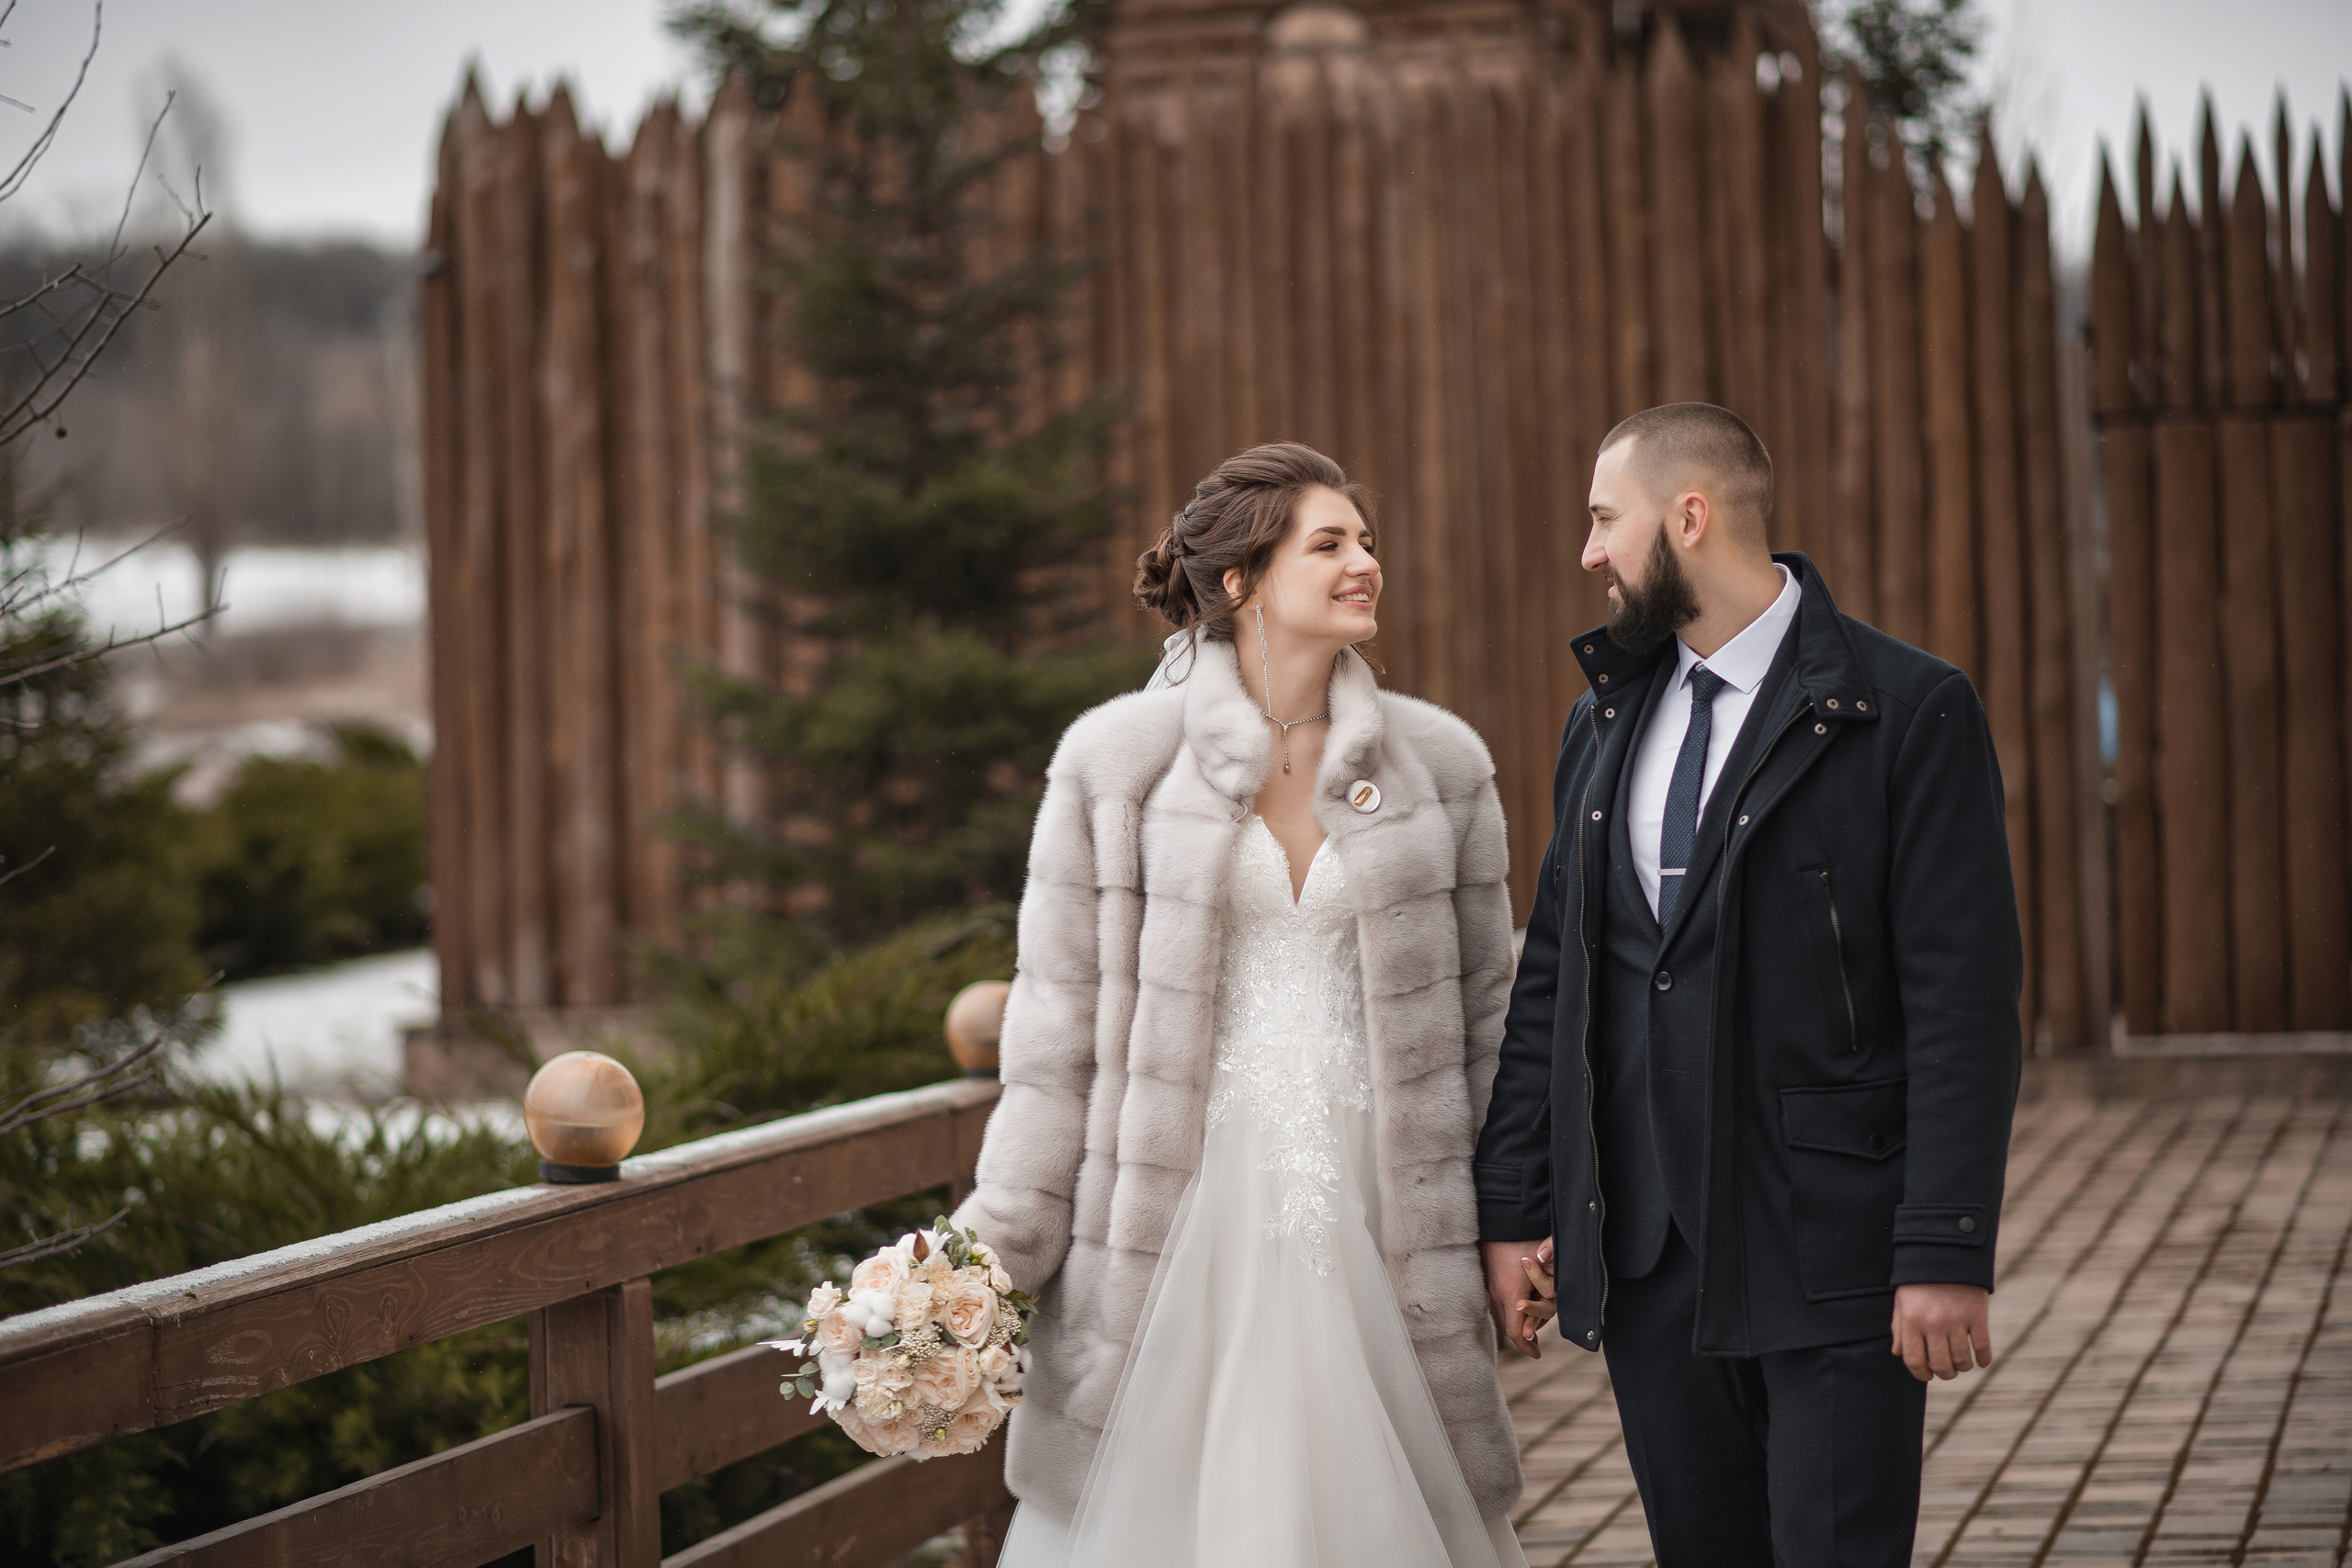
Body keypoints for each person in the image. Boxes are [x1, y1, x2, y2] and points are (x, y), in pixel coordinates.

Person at [955, 441, 1531, 1567]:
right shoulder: (1115, 763)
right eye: (1329, 544)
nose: (1364, 562)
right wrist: (984, 1260)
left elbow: (1487, 1026)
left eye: (1366, 541)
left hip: (1386, 1202)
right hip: (1179, 1209)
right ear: (1239, 580)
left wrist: (1517, 1219)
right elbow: (1054, 1037)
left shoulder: (1442, 766)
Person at [1473, 403, 2022, 1565]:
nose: (1588, 552)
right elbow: (1558, 975)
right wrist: (1516, 1207)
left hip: (1831, 1248)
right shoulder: (1600, 720)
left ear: (1689, 517)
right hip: (1649, 1256)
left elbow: (1962, 1005)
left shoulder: (1904, 709)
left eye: (1604, 520)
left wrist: (1943, 1248)